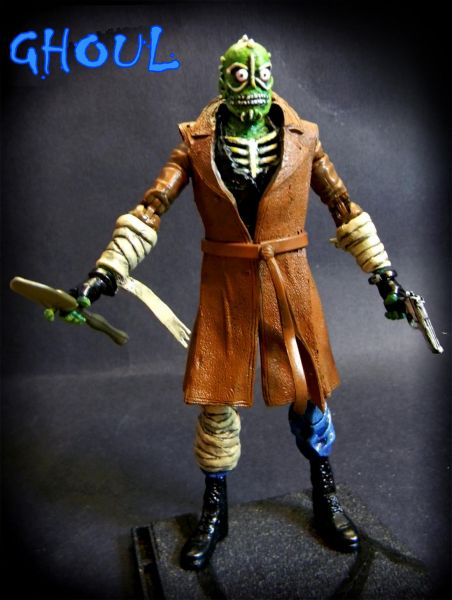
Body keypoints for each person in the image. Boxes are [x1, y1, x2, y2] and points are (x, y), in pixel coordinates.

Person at [49, 35, 407, 571]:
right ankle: (214, 507)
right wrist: (105, 273)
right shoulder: (196, 144)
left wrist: (383, 274)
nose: (252, 87)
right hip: (224, 286)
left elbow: (343, 205)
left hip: (290, 283)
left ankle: (325, 494)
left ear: (272, 77)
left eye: (260, 76)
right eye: (241, 76)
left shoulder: (305, 139)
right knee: (216, 400)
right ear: (224, 80)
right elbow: (151, 207)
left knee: (308, 395)